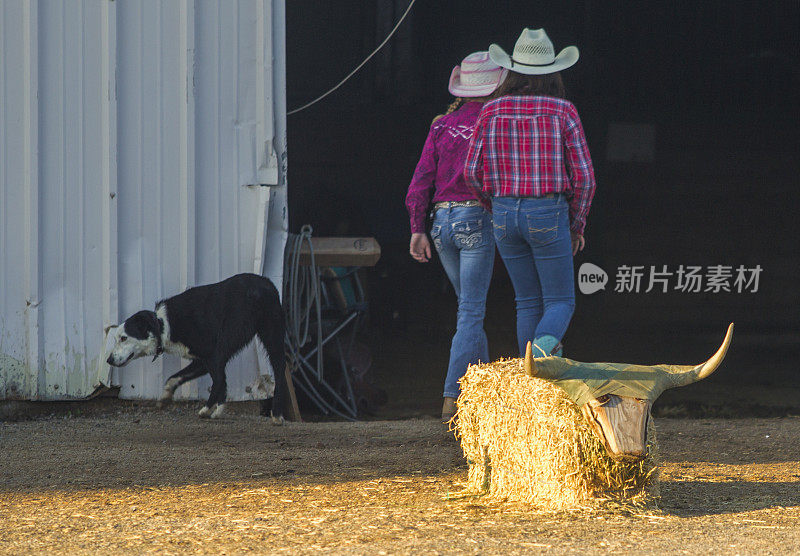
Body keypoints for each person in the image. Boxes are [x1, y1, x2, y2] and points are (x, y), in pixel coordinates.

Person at [465, 28, 596, 360]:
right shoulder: (563, 111)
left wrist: (492, 205)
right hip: (548, 212)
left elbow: (470, 171)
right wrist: (577, 224)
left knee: (527, 301)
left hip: (504, 214)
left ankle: (530, 382)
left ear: (510, 70)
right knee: (561, 301)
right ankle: (539, 358)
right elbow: (585, 178)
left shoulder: (490, 111)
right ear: (551, 71)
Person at [405, 52, 506, 422]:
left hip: (441, 224)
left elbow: (420, 182)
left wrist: (418, 228)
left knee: (469, 308)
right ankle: (453, 397)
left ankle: (480, 397)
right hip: (476, 219)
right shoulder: (495, 122)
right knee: (471, 311)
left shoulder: (440, 126)